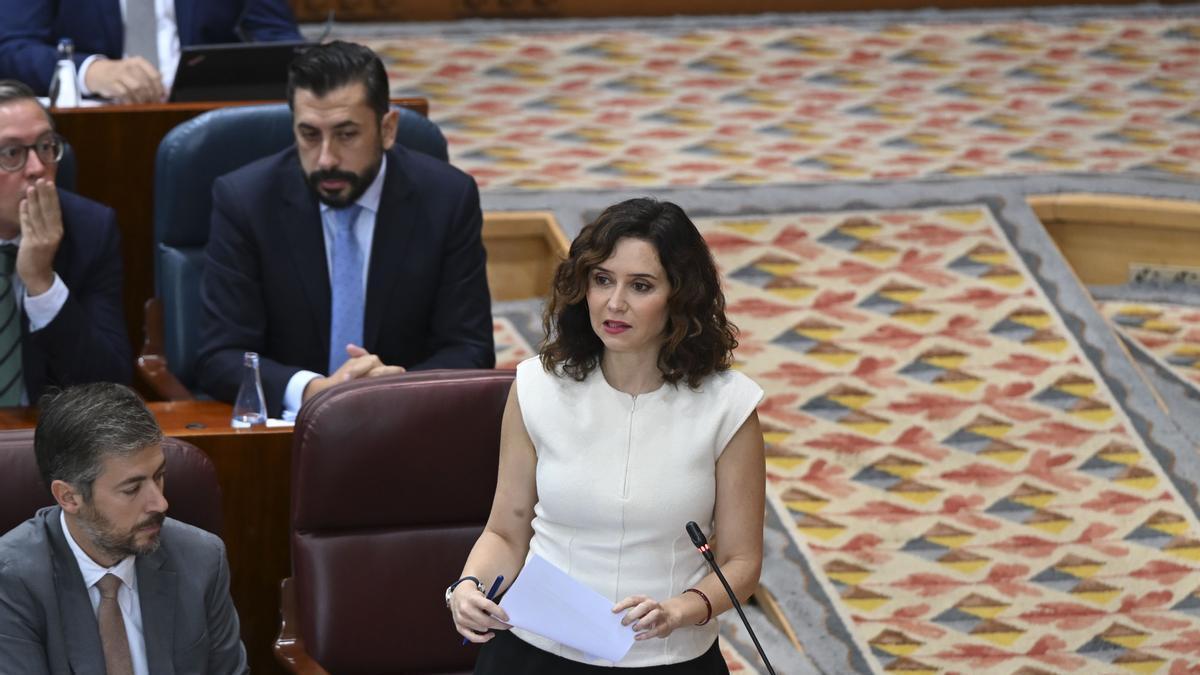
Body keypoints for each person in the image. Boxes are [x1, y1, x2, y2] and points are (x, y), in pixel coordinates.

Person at [449, 198, 765, 672]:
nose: (615, 303)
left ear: (680, 296)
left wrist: (679, 609)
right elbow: (505, 531)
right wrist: (468, 587)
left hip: (668, 655)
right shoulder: (537, 386)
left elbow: (741, 563)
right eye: (602, 280)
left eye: (641, 286)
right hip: (538, 649)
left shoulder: (728, 406)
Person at [197, 41, 494, 418]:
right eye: (309, 134)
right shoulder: (245, 201)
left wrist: (395, 390)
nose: (326, 158)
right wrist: (314, 390)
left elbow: (470, 347)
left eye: (346, 134)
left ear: (387, 129)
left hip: (406, 422)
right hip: (287, 431)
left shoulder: (448, 198)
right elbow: (219, 356)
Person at [0, 382, 248, 673]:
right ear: (69, 497)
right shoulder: (13, 581)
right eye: (132, 489)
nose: (160, 503)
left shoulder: (202, 558)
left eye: (159, 476)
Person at [0, 80, 130, 406]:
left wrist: (43, 282)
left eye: (46, 146)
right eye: (12, 153)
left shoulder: (90, 230)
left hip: (49, 444)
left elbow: (110, 388)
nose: (37, 168)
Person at [0, 0, 302, 103]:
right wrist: (88, 71)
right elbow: (13, 49)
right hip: (96, 120)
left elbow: (277, 38)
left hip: (204, 115)